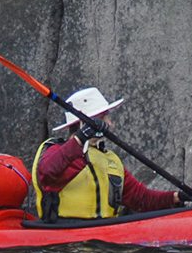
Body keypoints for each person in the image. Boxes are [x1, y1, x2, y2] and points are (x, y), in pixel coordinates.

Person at [32, 87, 180, 220]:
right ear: (86, 123)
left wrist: (175, 197)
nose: (110, 124)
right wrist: (81, 137)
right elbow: (46, 172)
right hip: (65, 242)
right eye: (104, 118)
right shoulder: (57, 151)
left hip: (104, 242)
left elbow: (140, 198)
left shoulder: (110, 160)